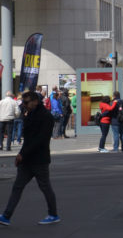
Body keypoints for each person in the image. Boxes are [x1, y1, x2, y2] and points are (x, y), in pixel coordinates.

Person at [0, 90, 60, 226]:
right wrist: (21, 154)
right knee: (18, 186)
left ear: (35, 101)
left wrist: (22, 153)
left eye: (27, 103)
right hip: (28, 159)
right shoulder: (30, 114)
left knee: (45, 187)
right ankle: (6, 215)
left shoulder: (45, 117)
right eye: (23, 103)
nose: (24, 105)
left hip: (39, 159)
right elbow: (28, 139)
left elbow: (40, 139)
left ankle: (53, 214)